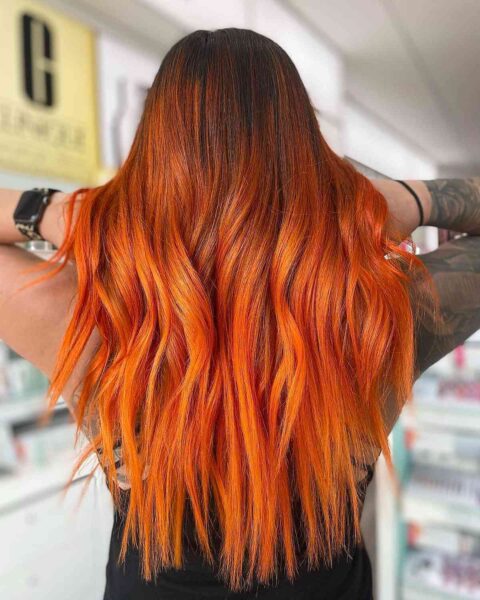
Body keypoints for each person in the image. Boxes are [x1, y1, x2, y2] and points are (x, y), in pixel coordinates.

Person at [0, 27, 479, 600]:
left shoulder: (84, 313)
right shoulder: (381, 311)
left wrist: (60, 211)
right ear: (306, 153)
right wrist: (404, 199)